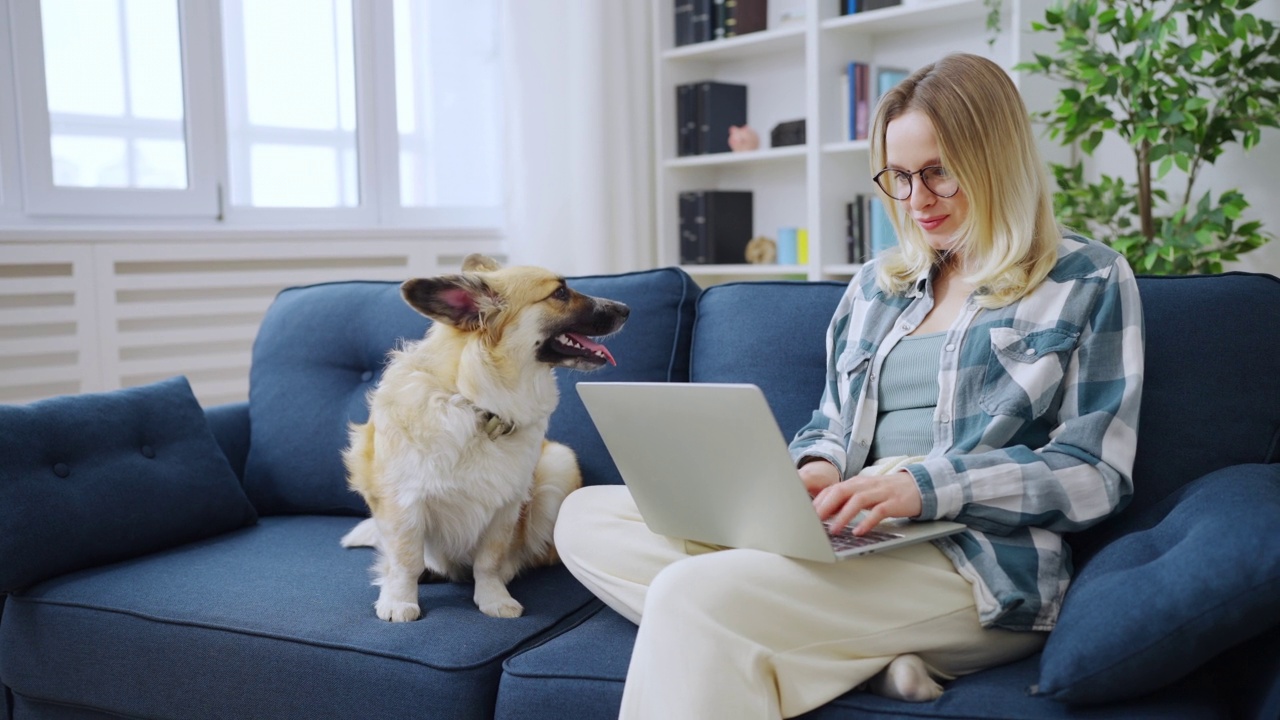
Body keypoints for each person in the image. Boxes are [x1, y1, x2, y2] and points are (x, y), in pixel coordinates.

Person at [553, 52, 1145, 719]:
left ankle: (814, 643)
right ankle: (849, 654)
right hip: (858, 532)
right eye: (897, 177)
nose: (917, 200)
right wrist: (811, 470)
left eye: (939, 173)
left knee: (692, 595)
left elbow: (1095, 476)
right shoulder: (877, 285)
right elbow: (833, 423)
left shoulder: (1087, 278)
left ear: (996, 159)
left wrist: (919, 489)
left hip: (971, 560)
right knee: (584, 516)